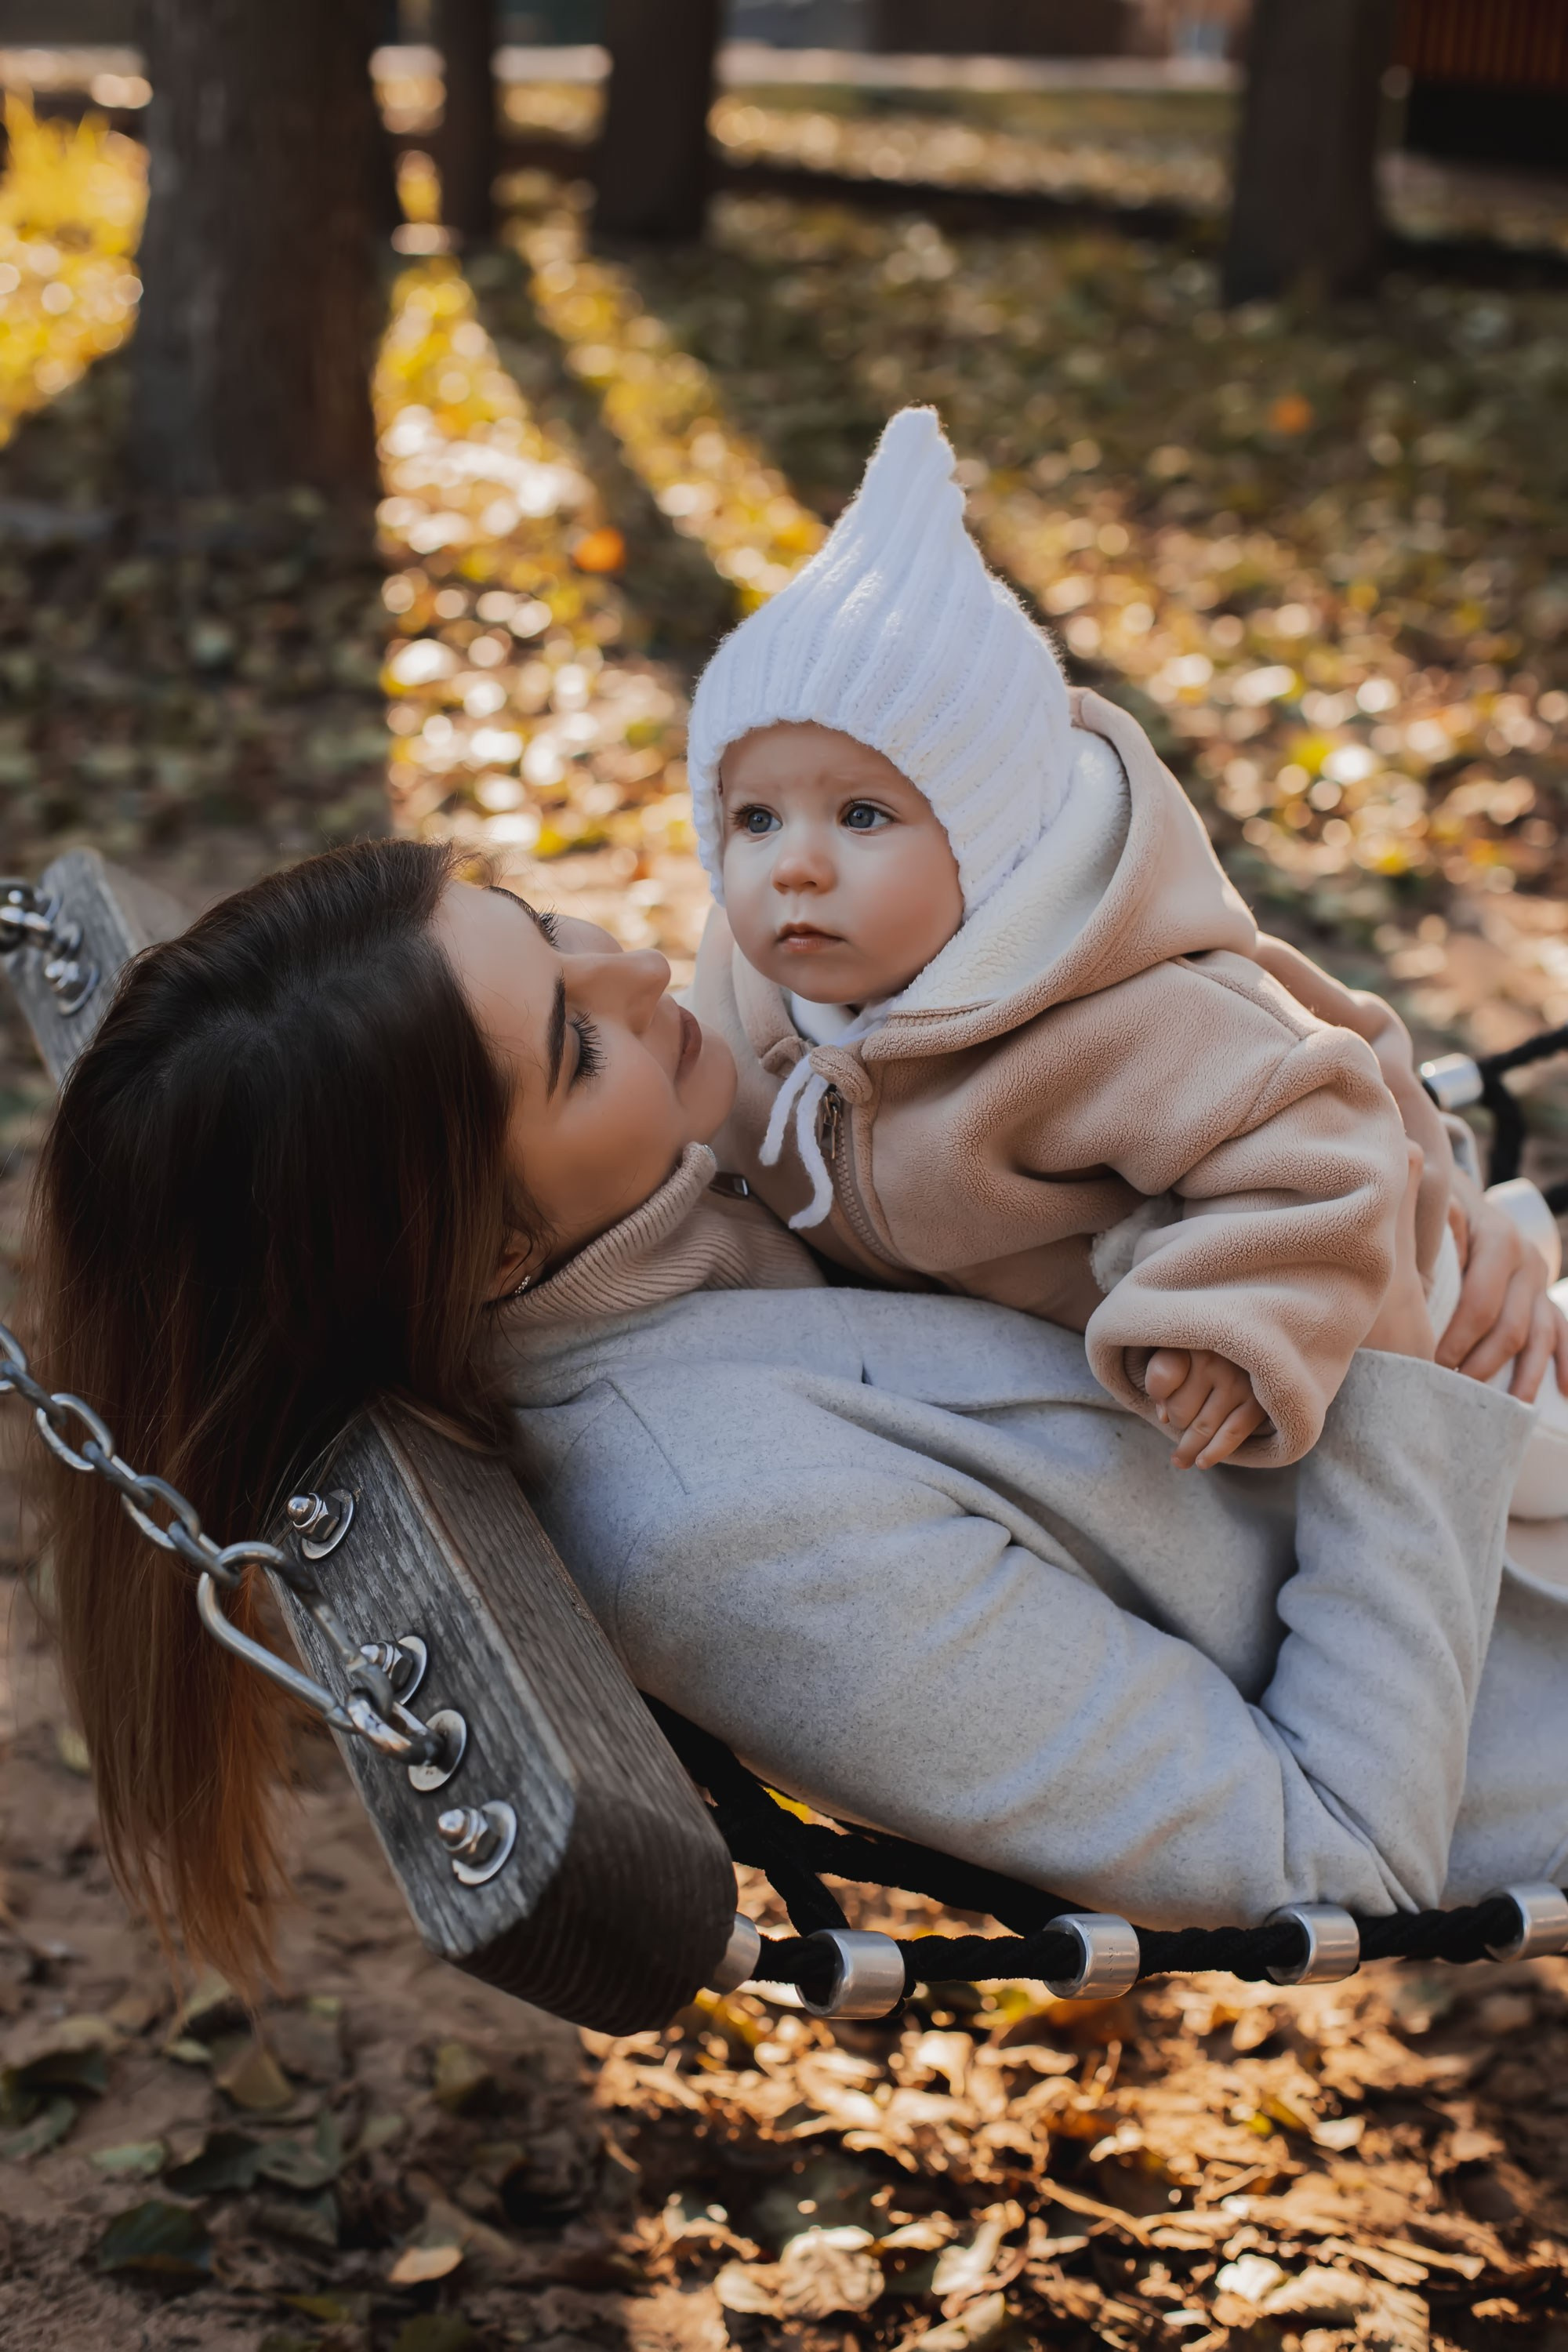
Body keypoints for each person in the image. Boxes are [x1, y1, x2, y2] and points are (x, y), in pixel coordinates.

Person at [24, 840, 1566, 1989]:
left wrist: (1413, 1213)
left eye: (548, 927)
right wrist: (1392, 1354)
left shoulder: (751, 1147)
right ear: (486, 1248)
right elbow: (1336, 1857)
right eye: (574, 1042)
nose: (638, 966)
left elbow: (1229, 1126)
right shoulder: (737, 1527)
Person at [686, 407, 1567, 1477]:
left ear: (990, 844)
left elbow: (1320, 1148)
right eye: (755, 820)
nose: (794, 866)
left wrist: (1227, 1320)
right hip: (1062, 1385)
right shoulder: (738, 1002)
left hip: (1385, 1329)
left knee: (1534, 1487)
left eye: (863, 816)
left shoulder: (1125, 1017)